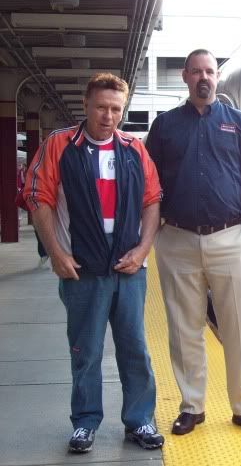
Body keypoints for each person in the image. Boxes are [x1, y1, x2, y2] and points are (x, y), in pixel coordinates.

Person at [23, 73, 165, 453]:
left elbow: (153, 200)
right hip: (82, 267)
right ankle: (85, 422)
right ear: (86, 105)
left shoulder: (135, 148)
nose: (108, 116)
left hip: (129, 267)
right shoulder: (59, 145)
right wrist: (55, 252)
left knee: (135, 348)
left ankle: (140, 421)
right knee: (85, 351)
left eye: (116, 109)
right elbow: (38, 197)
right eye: (101, 107)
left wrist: (143, 250)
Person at [146, 48, 241, 436]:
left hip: (231, 239)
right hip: (178, 240)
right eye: (196, 71)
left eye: (210, 71)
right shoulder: (165, 126)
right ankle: (192, 406)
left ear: (217, 77)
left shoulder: (240, 123)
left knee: (238, 327)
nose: (204, 77)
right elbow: (149, 184)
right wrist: (157, 233)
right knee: (184, 329)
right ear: (185, 76)